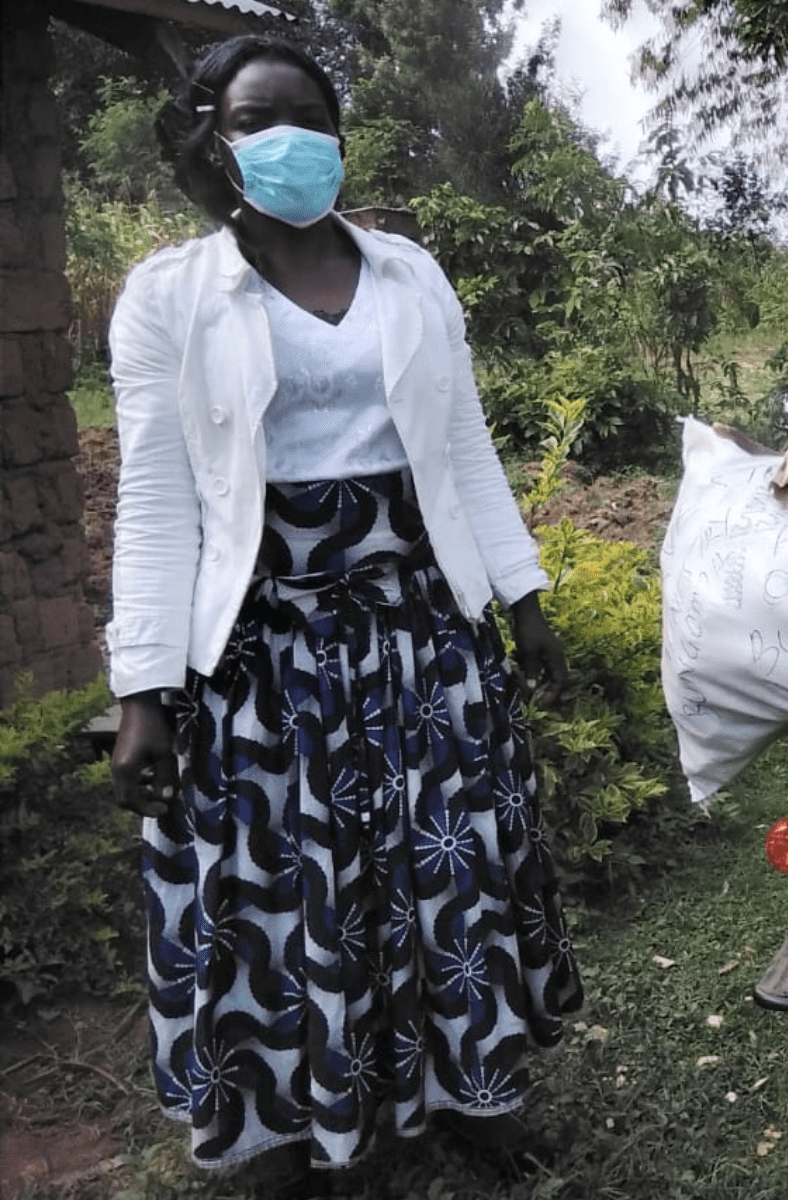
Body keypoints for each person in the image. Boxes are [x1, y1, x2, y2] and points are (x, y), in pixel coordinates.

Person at [105, 35, 582, 1185]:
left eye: (311, 119)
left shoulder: (411, 276)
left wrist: (523, 599)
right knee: (282, 891)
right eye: (257, 120)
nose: (291, 141)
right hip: (264, 658)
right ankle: (285, 1131)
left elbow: (463, 446)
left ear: (339, 136)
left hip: (423, 636)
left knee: (447, 874)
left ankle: (473, 1094)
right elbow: (157, 498)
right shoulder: (171, 298)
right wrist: (142, 692)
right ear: (214, 140)